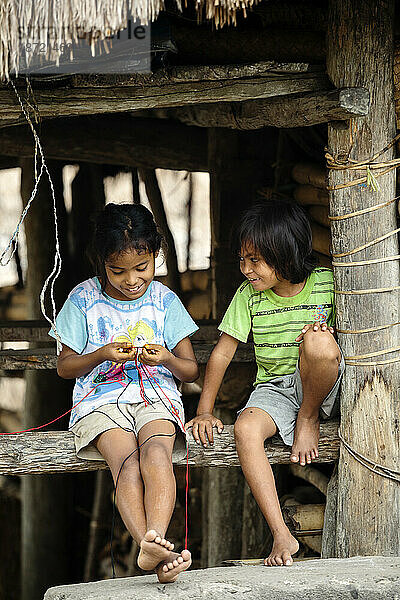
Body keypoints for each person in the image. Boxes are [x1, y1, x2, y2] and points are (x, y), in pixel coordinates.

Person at [186, 197, 344, 567]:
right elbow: (223, 353)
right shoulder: (248, 298)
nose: (245, 269)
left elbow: (338, 348)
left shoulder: (328, 283)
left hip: (324, 386)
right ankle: (281, 534)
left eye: (254, 260)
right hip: (275, 389)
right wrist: (205, 410)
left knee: (318, 342)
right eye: (242, 259)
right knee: (244, 428)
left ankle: (307, 419)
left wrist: (327, 337)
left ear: (285, 253)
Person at [50, 203, 199, 583]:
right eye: (118, 270)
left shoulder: (164, 301)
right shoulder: (82, 299)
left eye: (142, 268)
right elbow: (64, 367)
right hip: (100, 404)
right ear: (101, 261)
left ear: (156, 256)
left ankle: (155, 545)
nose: (131, 280)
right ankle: (151, 549)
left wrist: (164, 357)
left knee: (156, 454)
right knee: (127, 464)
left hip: (157, 399)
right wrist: (101, 353)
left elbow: (190, 369)